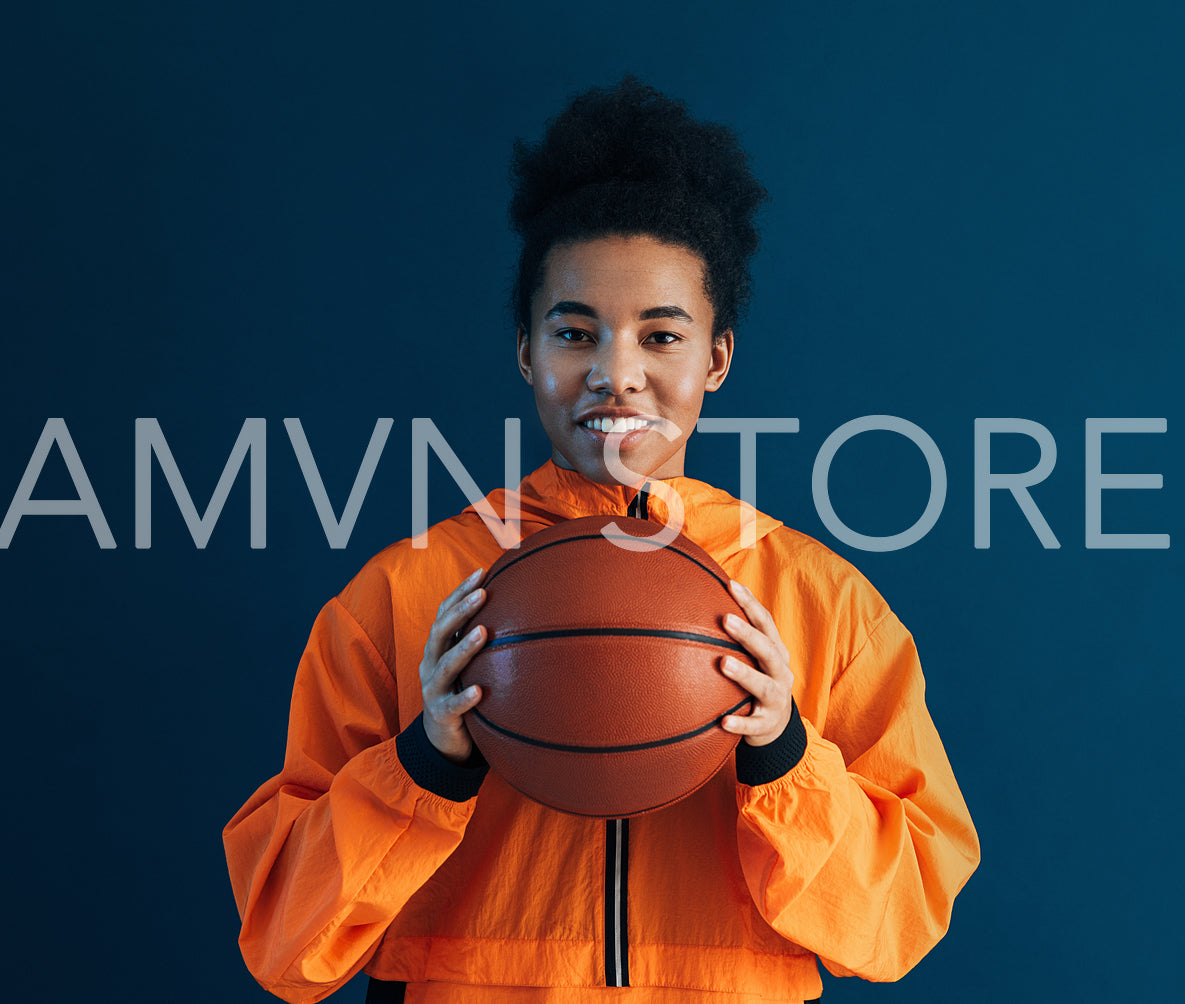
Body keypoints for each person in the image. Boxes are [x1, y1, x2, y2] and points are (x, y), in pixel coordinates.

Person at [224, 76, 979, 1004]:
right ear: (526, 352)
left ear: (716, 358)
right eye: (574, 331)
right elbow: (283, 942)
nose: (615, 375)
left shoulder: (817, 601)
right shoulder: (403, 596)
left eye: (661, 337)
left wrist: (782, 753)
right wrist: (424, 763)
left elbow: (903, 916)